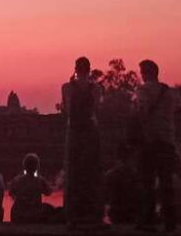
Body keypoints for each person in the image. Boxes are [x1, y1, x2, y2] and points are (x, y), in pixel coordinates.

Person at [132, 59, 181, 232]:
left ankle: (148, 218)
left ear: (145, 73)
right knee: (166, 181)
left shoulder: (142, 90)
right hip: (167, 140)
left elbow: (141, 112)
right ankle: (170, 220)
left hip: (149, 141)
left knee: (147, 182)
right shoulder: (170, 92)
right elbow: (179, 109)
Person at [61, 56, 103, 226]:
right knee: (91, 170)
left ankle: (72, 213)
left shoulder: (67, 87)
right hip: (91, 130)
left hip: (74, 130)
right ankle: (92, 211)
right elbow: (96, 109)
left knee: (73, 171)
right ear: (89, 69)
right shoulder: (96, 88)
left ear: (76, 69)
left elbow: (66, 109)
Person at [8, 153, 53, 224]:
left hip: (18, 215)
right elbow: (48, 192)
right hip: (35, 215)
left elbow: (11, 193)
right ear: (37, 167)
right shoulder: (40, 180)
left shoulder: (17, 180)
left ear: (24, 166)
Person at [103, 143, 140, 225]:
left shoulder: (111, 174)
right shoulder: (134, 174)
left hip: (117, 212)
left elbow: (105, 195)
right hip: (129, 212)